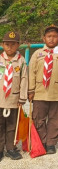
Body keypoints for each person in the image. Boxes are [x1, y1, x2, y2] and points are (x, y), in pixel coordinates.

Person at [28, 25, 58, 154]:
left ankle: (51, 143)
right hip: (40, 92)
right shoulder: (37, 54)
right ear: (44, 38)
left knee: (56, 119)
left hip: (56, 92)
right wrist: (31, 90)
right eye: (49, 36)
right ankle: (42, 141)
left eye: (55, 36)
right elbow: (31, 74)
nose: (52, 39)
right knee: (39, 118)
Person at [0, 31, 27, 161]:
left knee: (12, 125)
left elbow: (24, 79)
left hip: (13, 99)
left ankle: (10, 148)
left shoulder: (21, 61)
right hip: (0, 98)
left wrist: (22, 97)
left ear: (18, 45)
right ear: (2, 45)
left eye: (13, 44)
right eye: (7, 44)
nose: (9, 47)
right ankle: (0, 149)